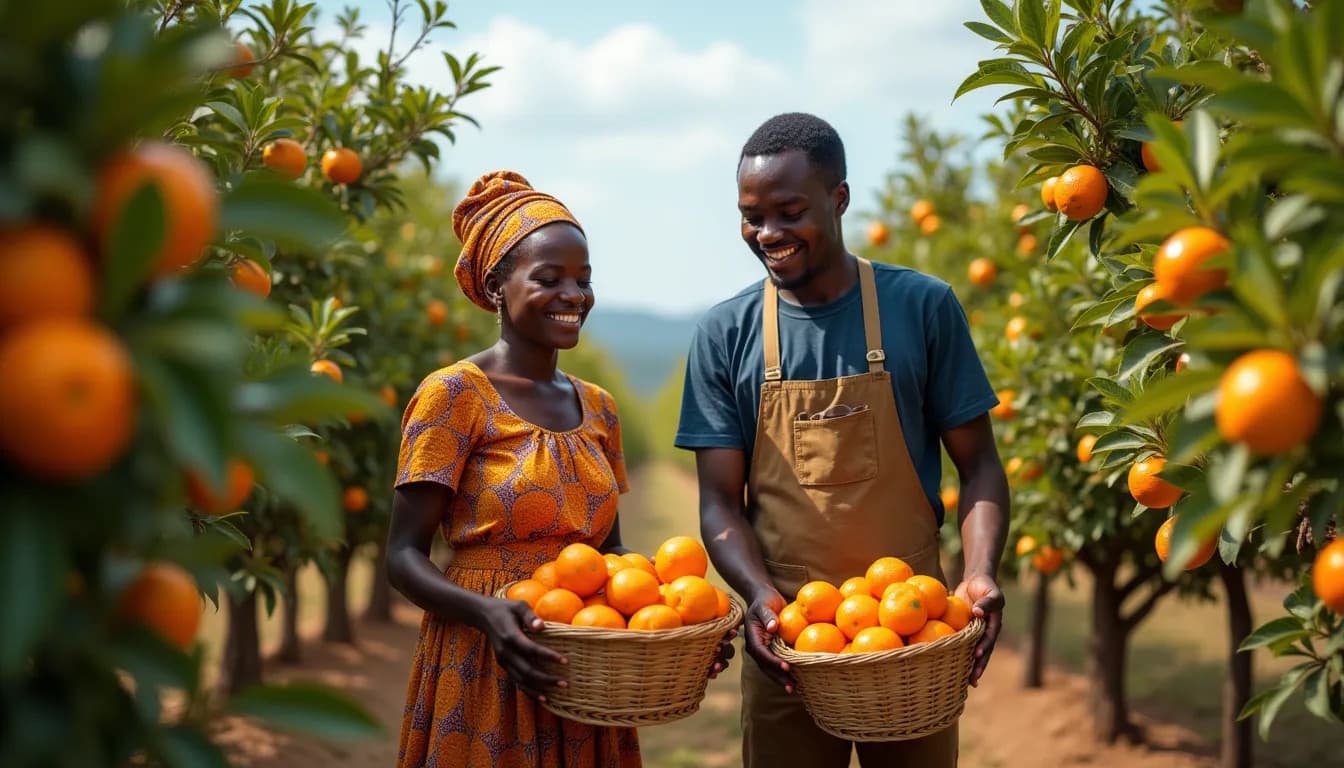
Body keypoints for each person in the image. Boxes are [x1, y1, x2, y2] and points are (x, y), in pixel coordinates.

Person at [675, 112, 1009, 767]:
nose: (767, 233)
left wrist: (978, 574)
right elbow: (719, 501)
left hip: (916, 636)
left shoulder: (924, 307)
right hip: (791, 643)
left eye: (789, 211)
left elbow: (980, 469)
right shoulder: (725, 333)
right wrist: (758, 596)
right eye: (751, 215)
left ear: (840, 200)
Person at [386, 170, 655, 767]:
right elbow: (402, 557)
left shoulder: (599, 409)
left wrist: (656, 627)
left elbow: (609, 555)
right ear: (497, 286)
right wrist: (488, 613)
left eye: (585, 280)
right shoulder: (453, 395)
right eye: (550, 277)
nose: (574, 295)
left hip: (580, 664)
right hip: (483, 659)